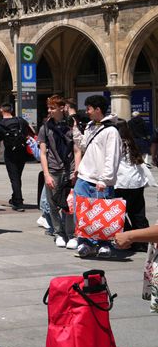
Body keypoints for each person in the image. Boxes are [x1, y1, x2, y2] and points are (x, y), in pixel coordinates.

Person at [73, 95, 121, 258]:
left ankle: (104, 244)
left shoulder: (111, 131)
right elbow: (84, 145)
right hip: (84, 177)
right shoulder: (90, 126)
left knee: (102, 214)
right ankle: (85, 243)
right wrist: (75, 130)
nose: (87, 112)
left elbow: (112, 157)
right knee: (82, 213)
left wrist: (105, 180)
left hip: (100, 181)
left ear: (98, 109)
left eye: (89, 109)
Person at [38, 95, 79, 249]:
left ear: (62, 108)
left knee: (69, 204)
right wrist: (46, 174)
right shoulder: (45, 128)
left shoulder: (72, 126)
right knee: (53, 204)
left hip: (70, 170)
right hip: (53, 170)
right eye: (48, 107)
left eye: (53, 108)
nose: (49, 110)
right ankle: (58, 233)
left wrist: (76, 171)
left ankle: (71, 234)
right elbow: (43, 153)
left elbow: (77, 150)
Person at [114, 118, 151, 248]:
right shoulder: (133, 141)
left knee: (118, 214)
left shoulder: (115, 143)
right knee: (138, 213)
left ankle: (130, 239)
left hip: (121, 182)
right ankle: (144, 242)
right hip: (136, 182)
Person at [0, 103, 33, 211]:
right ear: (11, 110)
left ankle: (18, 202)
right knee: (17, 176)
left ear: (1, 110)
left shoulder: (0, 123)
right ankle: (15, 197)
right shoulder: (20, 120)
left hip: (10, 152)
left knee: (14, 177)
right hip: (22, 151)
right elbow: (31, 131)